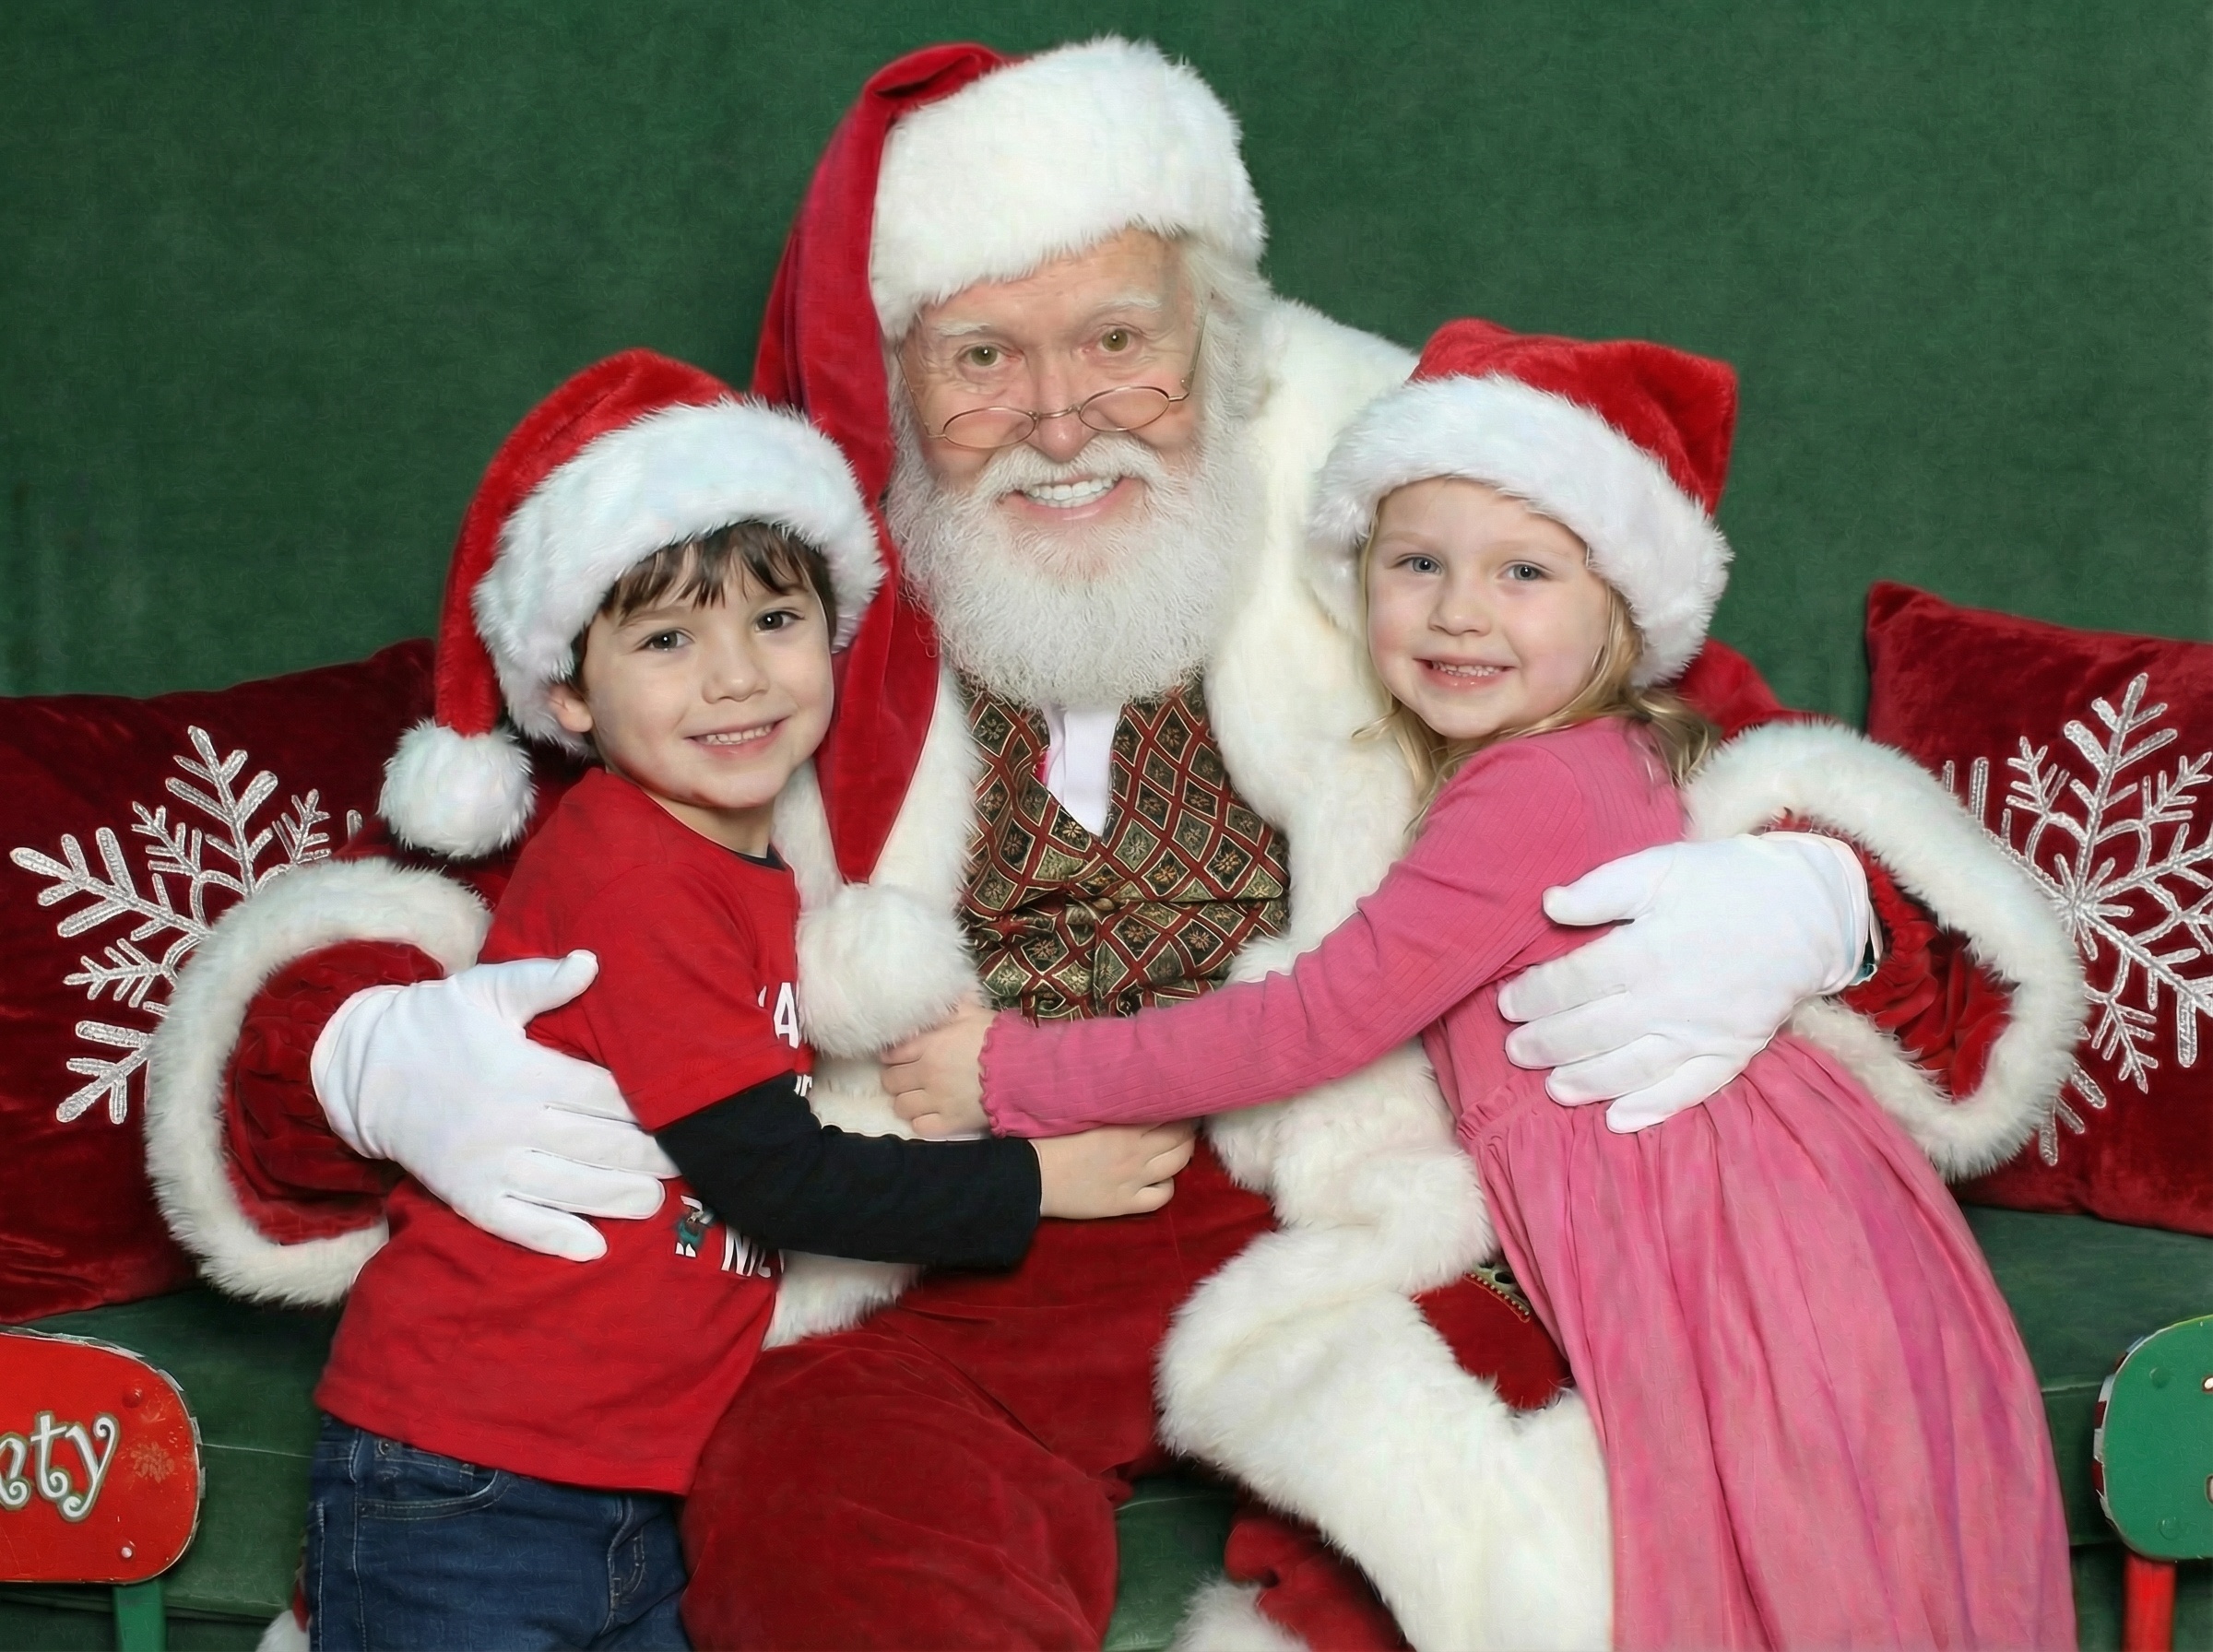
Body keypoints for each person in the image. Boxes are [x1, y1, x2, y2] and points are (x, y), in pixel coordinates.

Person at [147, 41, 2082, 1651]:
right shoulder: (781, 611)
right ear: (897, 385)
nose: (1061, 417)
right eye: (982, 356)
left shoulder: (1410, 502)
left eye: (1118, 340)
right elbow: (536, 896)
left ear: (1219, 340)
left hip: (1374, 1196)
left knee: (1514, 1541)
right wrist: (360, 1052)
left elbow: (1718, 738)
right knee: (817, 1513)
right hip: (959, 1241)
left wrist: (1813, 899)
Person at [882, 319, 2077, 1651]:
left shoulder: (1528, 794)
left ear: (1619, 612)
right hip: (1737, 1198)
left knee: (1753, 1548)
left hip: (1707, 1221)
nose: (1459, 609)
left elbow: (1314, 1019)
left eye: (1522, 571)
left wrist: (1015, 1067)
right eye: (1417, 564)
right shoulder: (1590, 756)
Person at [303, 349, 1194, 1649]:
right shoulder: (628, 868)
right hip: (468, 1469)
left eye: (775, 623)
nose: (735, 678)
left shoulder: (750, 865)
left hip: (623, 1478)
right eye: (667, 640)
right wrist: (1037, 1182)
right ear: (567, 690)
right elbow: (771, 1176)